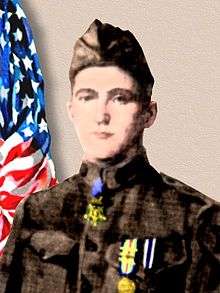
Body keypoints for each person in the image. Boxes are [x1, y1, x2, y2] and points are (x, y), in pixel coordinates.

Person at [0, 19, 219, 293]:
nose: (101, 115)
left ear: (148, 113)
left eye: (119, 98)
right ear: (71, 110)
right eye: (87, 97)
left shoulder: (197, 219)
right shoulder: (37, 212)